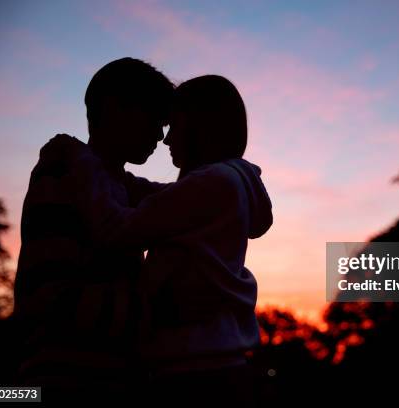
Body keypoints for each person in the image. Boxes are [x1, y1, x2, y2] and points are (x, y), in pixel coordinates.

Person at [69, 75, 273, 405]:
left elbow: (114, 230)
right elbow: (161, 198)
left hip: (193, 370)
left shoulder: (210, 184)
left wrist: (84, 168)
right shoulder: (228, 184)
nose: (166, 141)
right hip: (214, 363)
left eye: (175, 125)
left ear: (200, 126)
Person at [13, 57, 175, 400]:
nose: (161, 137)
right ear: (114, 108)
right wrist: (153, 311)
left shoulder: (123, 186)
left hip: (112, 377)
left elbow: (186, 200)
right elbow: (47, 296)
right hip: (64, 380)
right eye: (154, 120)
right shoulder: (63, 169)